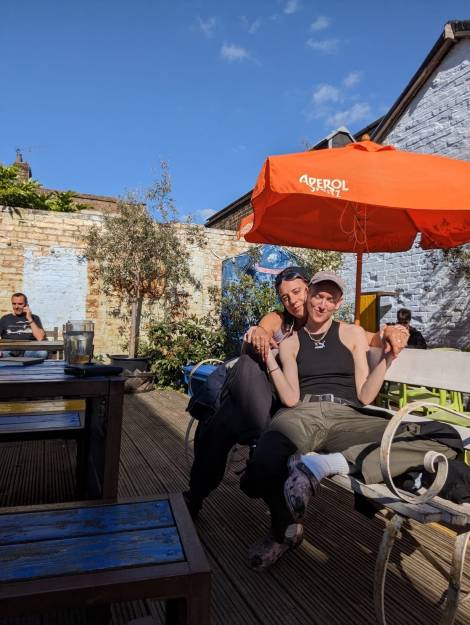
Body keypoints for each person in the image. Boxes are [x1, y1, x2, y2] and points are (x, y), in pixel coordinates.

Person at [240, 271, 457, 570]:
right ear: (309, 294)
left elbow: (365, 395)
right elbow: (290, 398)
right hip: (303, 412)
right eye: (318, 296)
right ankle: (283, 532)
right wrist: (268, 359)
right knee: (264, 460)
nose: (322, 304)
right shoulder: (290, 344)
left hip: (348, 415)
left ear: (338, 304)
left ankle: (322, 465)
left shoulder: (352, 334)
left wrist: (388, 357)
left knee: (444, 435)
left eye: (330, 299)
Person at [184, 267, 408, 518]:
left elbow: (372, 338)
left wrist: (390, 331)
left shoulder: (333, 327)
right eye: (285, 297)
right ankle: (216, 484)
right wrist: (259, 334)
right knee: (227, 412)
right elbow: (263, 330)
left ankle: (214, 491)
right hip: (263, 400)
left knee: (225, 425)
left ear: (309, 290)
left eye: (297, 291)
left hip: (287, 408)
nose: (293, 300)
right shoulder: (280, 321)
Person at [0, 293, 47, 359]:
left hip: (29, 351)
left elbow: (40, 338)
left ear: (26, 305)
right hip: (9, 351)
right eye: (14, 304)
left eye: (20, 304)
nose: (16, 307)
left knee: (42, 353)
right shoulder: (5, 318)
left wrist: (29, 318)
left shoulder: (34, 318)